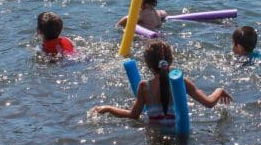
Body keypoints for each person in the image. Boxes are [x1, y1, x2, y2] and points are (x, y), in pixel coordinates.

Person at [92, 40, 232, 131]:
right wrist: (219, 91)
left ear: (147, 65)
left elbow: (133, 115)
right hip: (179, 137)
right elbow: (208, 103)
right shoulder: (181, 82)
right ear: (171, 60)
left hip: (154, 138)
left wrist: (107, 108)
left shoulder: (144, 87)